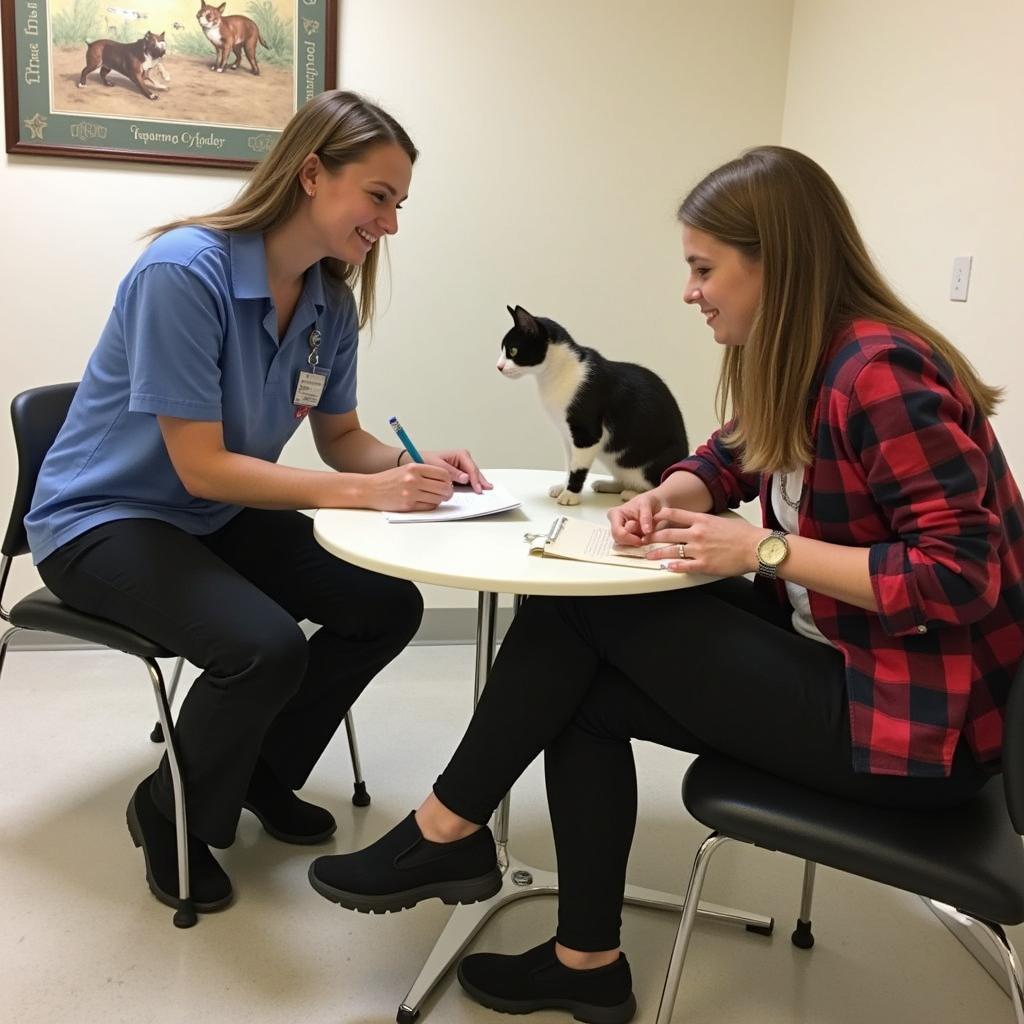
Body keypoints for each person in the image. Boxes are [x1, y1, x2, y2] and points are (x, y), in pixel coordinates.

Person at [306, 146, 1024, 1023]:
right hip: (851, 658)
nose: (691, 291)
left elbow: (959, 578)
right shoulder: (802, 356)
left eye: (703, 268)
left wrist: (759, 552)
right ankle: (583, 960)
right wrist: (670, 498)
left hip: (917, 726)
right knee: (580, 678)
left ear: (778, 264)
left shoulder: (880, 375)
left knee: (582, 626)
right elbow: (724, 456)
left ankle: (443, 833)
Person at [25, 90, 489, 915]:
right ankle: (169, 810)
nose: (389, 224)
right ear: (312, 174)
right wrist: (365, 492)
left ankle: (259, 772)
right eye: (378, 197)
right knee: (264, 649)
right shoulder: (183, 272)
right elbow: (202, 466)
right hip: (103, 520)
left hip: (209, 517)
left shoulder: (327, 303)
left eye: (399, 204)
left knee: (385, 607)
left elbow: (341, 437)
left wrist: (418, 467)